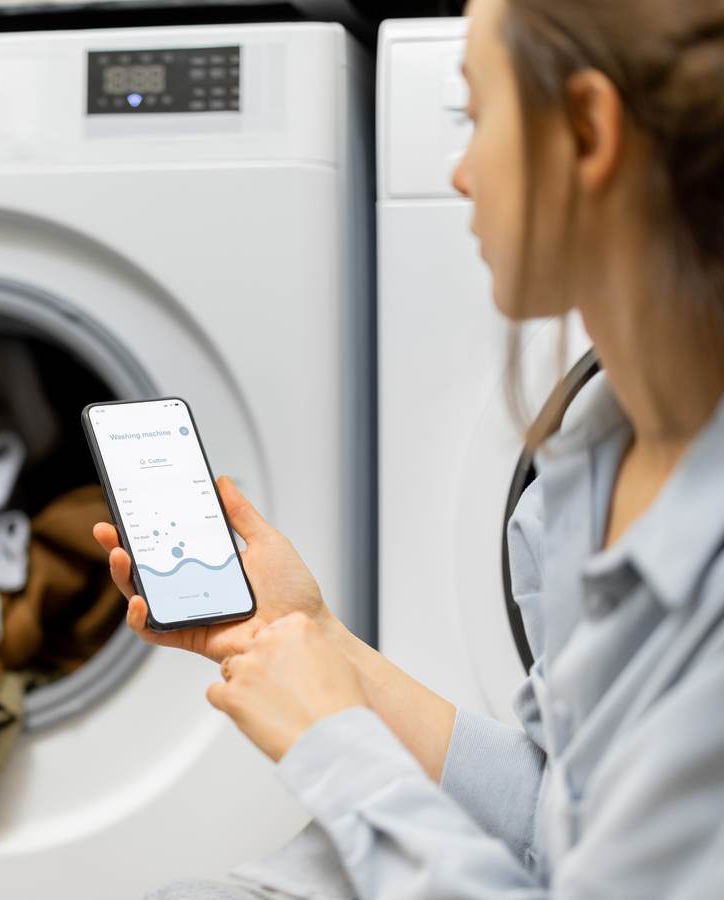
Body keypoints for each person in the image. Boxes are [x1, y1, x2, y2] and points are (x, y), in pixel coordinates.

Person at [92, 0, 724, 896]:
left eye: (474, 117)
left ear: (587, 131)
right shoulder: (581, 476)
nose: (461, 174)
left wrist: (333, 743)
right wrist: (310, 641)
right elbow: (563, 820)